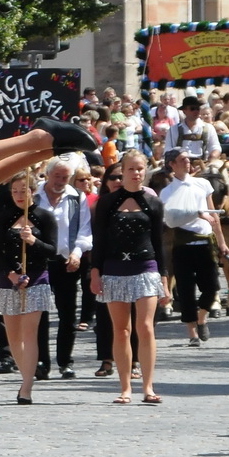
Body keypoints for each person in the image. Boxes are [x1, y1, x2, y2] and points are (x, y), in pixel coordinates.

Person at [91, 152, 166, 404]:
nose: (136, 173)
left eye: (140, 169)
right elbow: (99, 240)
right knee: (121, 329)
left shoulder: (153, 202)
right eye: (131, 169)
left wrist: (164, 278)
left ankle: (148, 387)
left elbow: (159, 242)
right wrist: (95, 272)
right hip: (114, 269)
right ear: (122, 172)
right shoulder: (107, 202)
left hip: (146, 267)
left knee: (145, 327)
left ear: (145, 171)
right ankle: (125, 387)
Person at [0, 172, 57, 405]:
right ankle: (25, 373)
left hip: (37, 279)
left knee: (29, 333)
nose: (18, 195)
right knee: (14, 336)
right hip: (9, 280)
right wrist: (12, 274)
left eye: (23, 190)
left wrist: (34, 241)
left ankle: (26, 386)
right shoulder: (3, 218)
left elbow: (52, 251)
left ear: (32, 191)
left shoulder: (45, 217)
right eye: (14, 191)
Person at [159, 148, 226, 346]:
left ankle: (202, 317)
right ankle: (192, 333)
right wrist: (196, 213)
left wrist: (221, 242)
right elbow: (171, 219)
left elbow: (213, 215)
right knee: (186, 290)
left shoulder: (202, 184)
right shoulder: (167, 192)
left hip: (205, 242)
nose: (187, 162)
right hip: (183, 245)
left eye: (188, 159)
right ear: (172, 164)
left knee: (212, 287)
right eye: (182, 159)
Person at [33, 157, 92, 378]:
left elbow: (85, 230)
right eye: (56, 176)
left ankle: (65, 361)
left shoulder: (77, 197)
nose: (60, 181)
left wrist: (77, 253)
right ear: (48, 174)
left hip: (66, 261)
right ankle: (41, 362)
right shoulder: (34, 195)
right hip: (39, 261)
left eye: (65, 177)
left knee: (67, 315)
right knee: (40, 314)